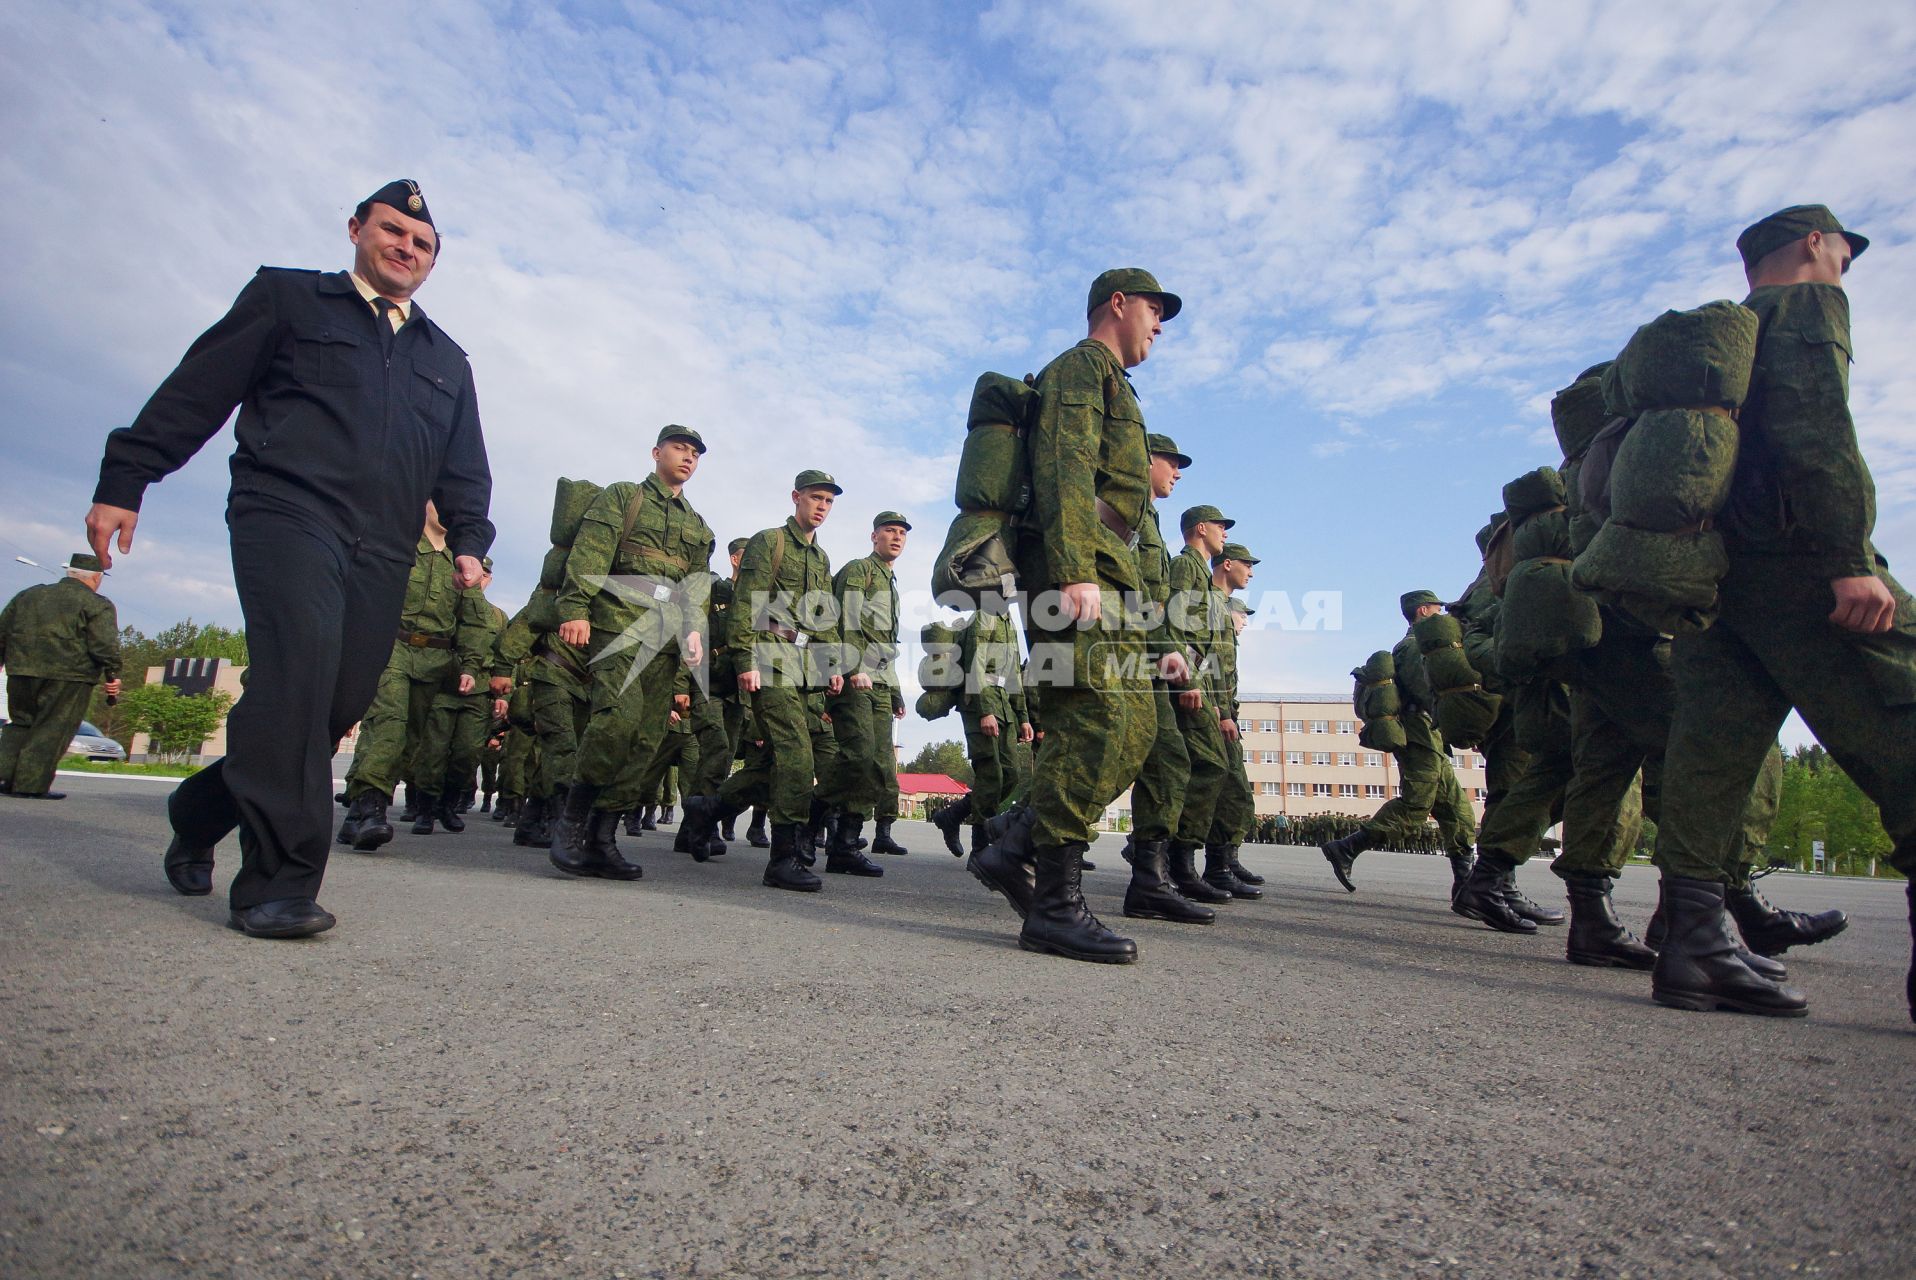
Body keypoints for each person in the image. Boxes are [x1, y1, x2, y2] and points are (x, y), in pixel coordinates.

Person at [87, 179, 492, 937]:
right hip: (286, 512)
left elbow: (464, 465)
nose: (406, 247)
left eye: (423, 243)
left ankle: (198, 808)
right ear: (355, 230)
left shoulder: (446, 360)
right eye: (393, 230)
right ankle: (278, 884)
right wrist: (127, 476)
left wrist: (470, 540)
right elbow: (197, 390)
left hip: (383, 546)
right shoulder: (288, 300)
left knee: (334, 703)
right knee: (298, 673)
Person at [1651, 205, 1914, 1018]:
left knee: (1709, 759)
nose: (1845, 261)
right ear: (1813, 244)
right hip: (1799, 565)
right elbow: (1820, 432)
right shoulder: (1803, 309)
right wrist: (1848, 560)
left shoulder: (1716, 348)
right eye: (1843, 247)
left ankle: (1693, 943)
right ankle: (1696, 940)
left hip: (1712, 580)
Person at [970, 268, 1181, 964]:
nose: (1159, 324)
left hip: (1109, 565)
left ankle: (1015, 838)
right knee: (1092, 719)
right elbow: (1065, 466)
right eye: (1154, 309)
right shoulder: (1080, 368)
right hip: (1078, 560)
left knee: (1137, 724)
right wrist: (1073, 570)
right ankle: (1054, 904)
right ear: (1117, 304)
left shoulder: (1118, 383)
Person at [548, 426, 714, 881]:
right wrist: (576, 608)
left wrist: (695, 634)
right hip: (617, 622)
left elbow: (694, 589)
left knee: (644, 739)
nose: (688, 457)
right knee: (617, 720)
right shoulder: (624, 498)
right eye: (680, 448)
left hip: (665, 639)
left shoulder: (698, 526)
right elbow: (590, 554)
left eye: (695, 453)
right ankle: (572, 821)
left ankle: (603, 839)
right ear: (657, 452)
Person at [681, 471, 848, 890]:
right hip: (769, 659)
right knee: (796, 756)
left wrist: (831, 666)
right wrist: (744, 659)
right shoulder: (769, 541)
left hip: (805, 668)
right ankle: (783, 858)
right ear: (796, 498)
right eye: (815, 497)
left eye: (828, 500)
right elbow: (746, 603)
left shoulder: (821, 559)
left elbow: (823, 616)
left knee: (776, 763)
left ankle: (709, 809)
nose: (822, 506)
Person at [338, 504, 483, 846]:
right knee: (388, 721)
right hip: (389, 647)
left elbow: (473, 621)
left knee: (410, 739)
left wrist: (471, 666)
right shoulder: (396, 540)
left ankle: (360, 811)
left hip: (434, 659)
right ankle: (370, 806)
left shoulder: (463, 557)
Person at [1320, 591, 1478, 894]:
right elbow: (1428, 691)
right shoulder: (1412, 648)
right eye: (1436, 609)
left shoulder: (1419, 647)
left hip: (1430, 736)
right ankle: (1347, 847)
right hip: (1418, 735)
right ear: (1422, 611)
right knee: (1416, 806)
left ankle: (1467, 885)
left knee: (1457, 811)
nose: (1442, 615)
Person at [1115, 436, 1213, 924]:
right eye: (1172, 464)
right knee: (1108, 758)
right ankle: (1013, 834)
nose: (1176, 472)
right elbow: (1134, 593)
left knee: (1164, 761)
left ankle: (1150, 881)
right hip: (1127, 654)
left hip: (1145, 654)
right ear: (1146, 459)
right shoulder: (1129, 505)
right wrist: (1169, 655)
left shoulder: (1147, 516)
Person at [818, 512, 912, 862]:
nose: (897, 537)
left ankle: (845, 841)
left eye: (902, 532)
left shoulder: (891, 582)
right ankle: (814, 817)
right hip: (855, 677)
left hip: (881, 682)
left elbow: (884, 643)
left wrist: (897, 689)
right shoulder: (860, 570)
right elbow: (848, 622)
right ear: (874, 536)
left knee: (876, 765)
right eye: (890, 531)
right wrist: (854, 667)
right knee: (858, 756)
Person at [0, 554, 123, 800]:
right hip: (69, 677)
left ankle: (4, 777)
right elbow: (103, 645)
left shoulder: (29, 596)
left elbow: (3, 631)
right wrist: (113, 675)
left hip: (21, 671)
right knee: (52, 729)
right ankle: (30, 786)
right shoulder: (96, 604)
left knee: (20, 724)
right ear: (96, 578)